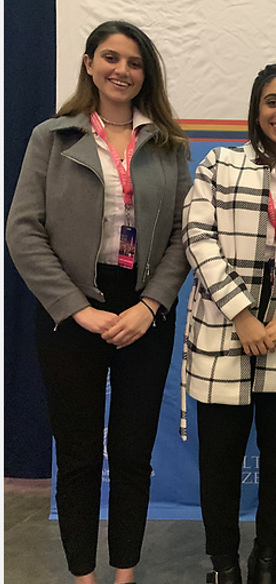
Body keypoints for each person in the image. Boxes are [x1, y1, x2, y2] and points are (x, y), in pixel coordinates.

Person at [5, 20, 191, 584]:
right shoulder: (52, 137)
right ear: (88, 64)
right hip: (72, 311)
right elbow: (23, 232)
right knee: (81, 456)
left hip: (143, 310)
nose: (122, 71)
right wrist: (76, 308)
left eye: (134, 63)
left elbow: (187, 234)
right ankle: (83, 577)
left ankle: (124, 575)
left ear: (145, 74)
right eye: (110, 58)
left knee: (133, 455)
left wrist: (152, 305)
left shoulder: (167, 143)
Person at [181, 63, 276, 584]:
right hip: (224, 337)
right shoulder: (217, 165)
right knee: (220, 466)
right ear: (255, 108)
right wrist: (243, 316)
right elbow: (197, 238)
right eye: (272, 101)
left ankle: (265, 559)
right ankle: (224, 566)